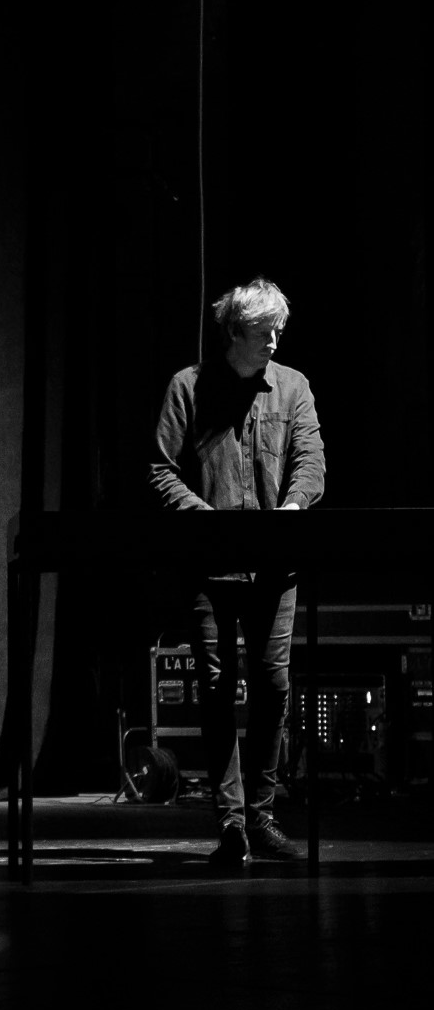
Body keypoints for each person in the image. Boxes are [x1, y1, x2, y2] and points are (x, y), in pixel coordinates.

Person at [150, 277, 325, 868]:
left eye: (279, 329)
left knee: (273, 685)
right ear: (233, 332)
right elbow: (160, 469)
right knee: (218, 687)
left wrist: (293, 507)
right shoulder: (188, 387)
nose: (274, 340)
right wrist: (204, 521)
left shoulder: (293, 387)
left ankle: (262, 814)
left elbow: (311, 460)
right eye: (262, 331)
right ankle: (230, 822)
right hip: (210, 569)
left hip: (275, 568)